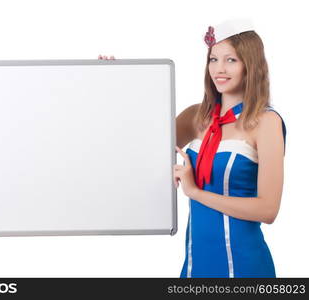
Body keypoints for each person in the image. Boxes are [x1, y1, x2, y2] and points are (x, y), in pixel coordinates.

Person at [99, 18, 286, 278]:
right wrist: (113, 86)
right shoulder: (196, 117)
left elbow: (268, 210)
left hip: (246, 268)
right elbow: (137, 147)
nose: (219, 68)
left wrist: (194, 192)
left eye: (231, 60)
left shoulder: (266, 122)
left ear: (250, 65)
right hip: (195, 268)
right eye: (213, 59)